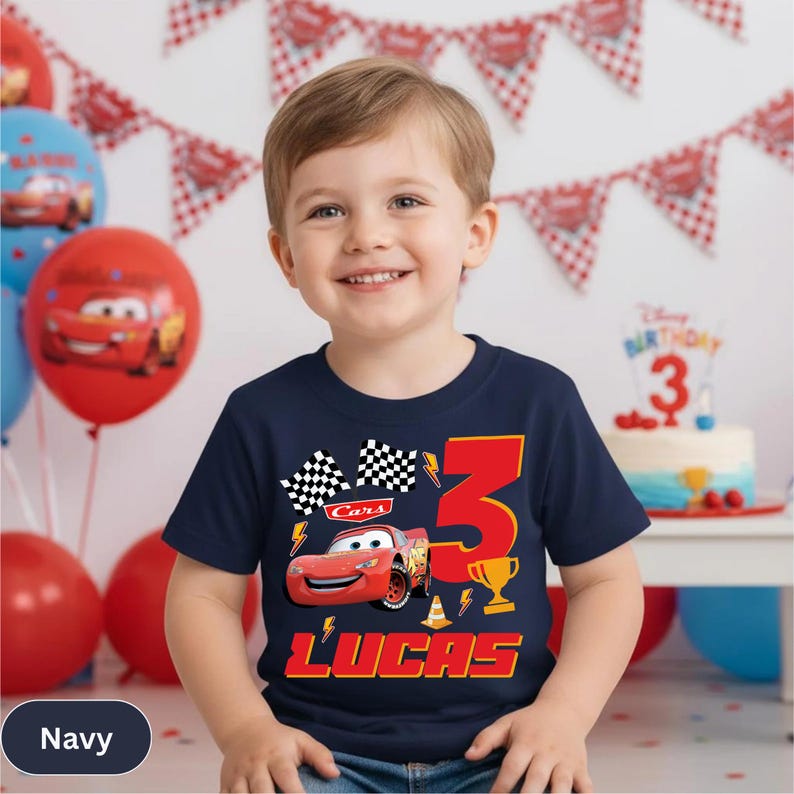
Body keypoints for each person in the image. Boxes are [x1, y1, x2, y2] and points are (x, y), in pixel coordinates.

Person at [163, 56, 649, 794]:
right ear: (286, 256)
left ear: (476, 234)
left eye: (406, 201)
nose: (366, 235)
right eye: (328, 210)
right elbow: (200, 596)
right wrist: (246, 730)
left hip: (501, 752)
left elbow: (607, 581)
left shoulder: (538, 403)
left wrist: (563, 716)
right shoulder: (261, 418)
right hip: (320, 757)